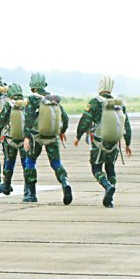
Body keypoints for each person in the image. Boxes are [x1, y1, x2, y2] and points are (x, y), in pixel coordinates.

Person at [74, 75, 133, 208]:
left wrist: (78, 136)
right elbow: (126, 125)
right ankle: (110, 197)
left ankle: (107, 185)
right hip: (114, 143)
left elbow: (85, 120)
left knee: (96, 168)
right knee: (110, 167)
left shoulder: (95, 102)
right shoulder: (119, 104)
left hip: (98, 142)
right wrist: (128, 144)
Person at [22, 73, 72, 204]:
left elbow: (28, 119)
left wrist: (26, 137)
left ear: (32, 85)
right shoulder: (53, 99)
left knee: (30, 162)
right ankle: (65, 182)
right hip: (52, 136)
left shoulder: (32, 99)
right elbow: (65, 118)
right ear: (44, 84)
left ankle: (31, 194)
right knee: (56, 163)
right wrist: (62, 131)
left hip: (35, 136)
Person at [0, 82, 31, 195]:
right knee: (26, 164)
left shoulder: (9, 104)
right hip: (25, 141)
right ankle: (27, 189)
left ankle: (6, 186)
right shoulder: (27, 104)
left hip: (10, 140)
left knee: (9, 162)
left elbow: (1, 121)